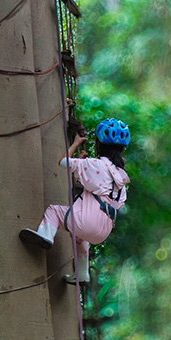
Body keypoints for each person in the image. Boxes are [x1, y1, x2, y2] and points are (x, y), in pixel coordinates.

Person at [19, 118, 131, 284]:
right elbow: (100, 191)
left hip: (86, 221)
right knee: (80, 237)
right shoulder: (121, 176)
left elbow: (64, 162)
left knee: (54, 211)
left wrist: (76, 143)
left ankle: (45, 236)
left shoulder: (94, 164)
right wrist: (83, 161)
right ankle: (82, 274)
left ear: (98, 144)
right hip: (103, 231)